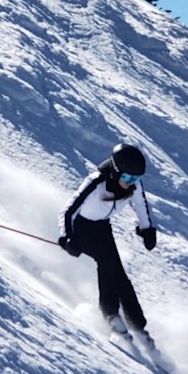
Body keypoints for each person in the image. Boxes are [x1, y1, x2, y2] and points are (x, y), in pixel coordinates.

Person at [58, 143, 157, 346]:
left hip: (102, 228)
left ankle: (138, 325)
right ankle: (111, 315)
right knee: (107, 263)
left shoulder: (133, 186)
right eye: (127, 178)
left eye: (135, 179)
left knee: (119, 274)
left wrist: (147, 230)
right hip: (82, 228)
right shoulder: (96, 181)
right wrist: (67, 238)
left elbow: (140, 206)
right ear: (116, 171)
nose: (131, 183)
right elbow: (68, 211)